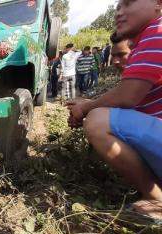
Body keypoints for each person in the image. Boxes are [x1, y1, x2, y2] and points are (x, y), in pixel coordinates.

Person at [67, 0, 162, 221]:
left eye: (128, 3)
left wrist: (87, 108)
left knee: (98, 121)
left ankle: (158, 198)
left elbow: (127, 97)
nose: (119, 12)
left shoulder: (157, 33)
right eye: (118, 6)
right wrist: (86, 106)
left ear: (158, 4)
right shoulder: (146, 41)